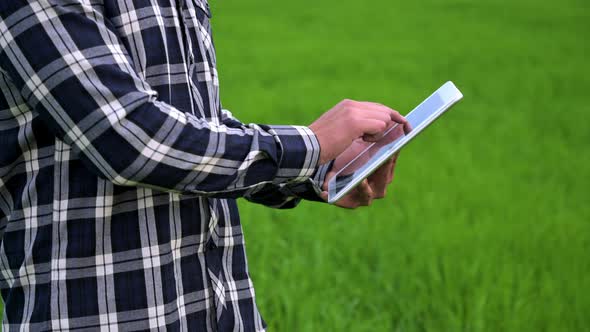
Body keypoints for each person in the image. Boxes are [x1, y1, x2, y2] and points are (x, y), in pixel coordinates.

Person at [0, 0, 409, 330]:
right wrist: (311, 144)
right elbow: (128, 138)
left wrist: (320, 168)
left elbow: (196, 126)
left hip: (221, 308)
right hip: (99, 312)